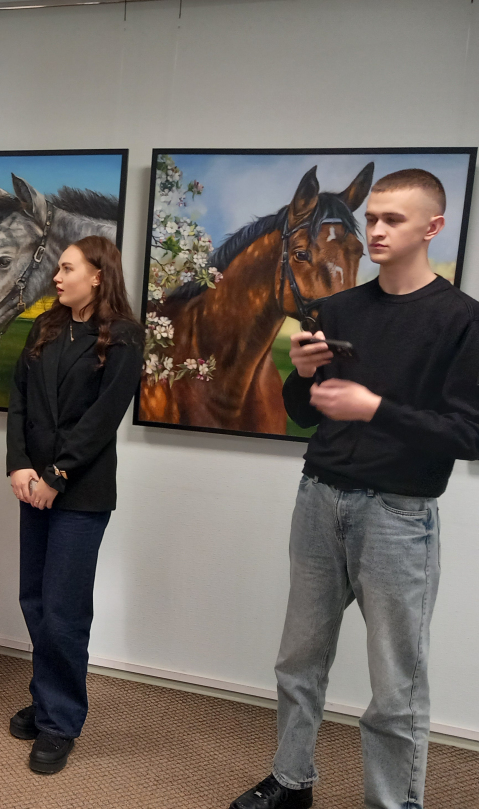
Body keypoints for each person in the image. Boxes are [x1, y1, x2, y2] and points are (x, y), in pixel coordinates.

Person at [229, 169, 479, 809]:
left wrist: (375, 409)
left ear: (433, 227)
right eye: (372, 219)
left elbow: (468, 433)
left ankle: (392, 803)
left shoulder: (461, 319)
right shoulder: (337, 309)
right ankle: (291, 782)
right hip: (319, 498)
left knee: (397, 685)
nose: (376, 230)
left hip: (400, 516)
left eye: (393, 219)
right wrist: (300, 374)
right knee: (298, 660)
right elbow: (304, 412)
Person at [5, 235, 142, 775]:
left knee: (64, 609)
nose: (57, 278)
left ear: (98, 275)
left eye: (66, 269)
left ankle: (60, 721)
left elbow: (102, 420)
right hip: (32, 485)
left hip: (80, 493)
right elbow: (19, 399)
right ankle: (47, 697)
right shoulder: (45, 326)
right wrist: (19, 464)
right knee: (34, 599)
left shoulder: (124, 337)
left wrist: (57, 475)